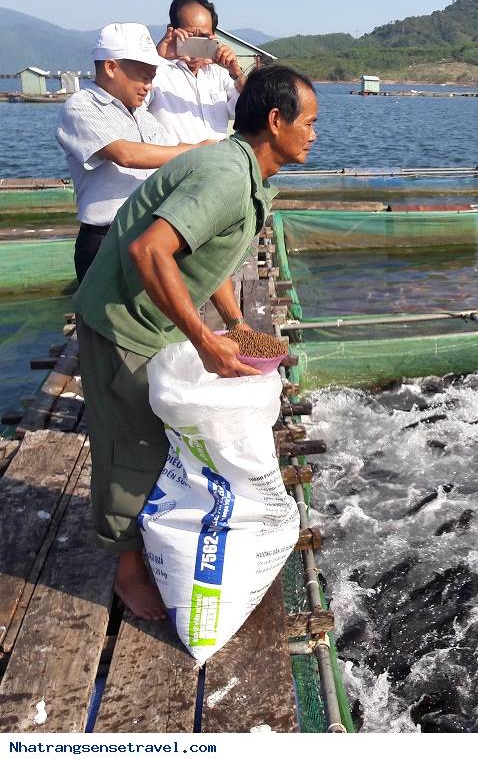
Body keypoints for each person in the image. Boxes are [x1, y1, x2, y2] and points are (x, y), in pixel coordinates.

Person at [72, 65, 318, 620]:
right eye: (309, 122)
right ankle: (127, 568)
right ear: (276, 122)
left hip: (147, 318)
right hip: (121, 322)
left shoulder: (244, 172)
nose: (315, 133)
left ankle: (147, 543)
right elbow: (150, 252)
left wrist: (235, 321)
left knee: (153, 436)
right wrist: (206, 341)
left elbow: (211, 257)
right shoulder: (228, 176)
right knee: (129, 444)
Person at [56, 23, 204, 282]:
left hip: (148, 235)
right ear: (111, 67)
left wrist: (208, 149)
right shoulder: (81, 107)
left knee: (146, 319)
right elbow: (126, 154)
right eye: (143, 77)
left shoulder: (144, 117)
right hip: (105, 239)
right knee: (106, 320)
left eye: (151, 79)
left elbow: (170, 151)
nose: (148, 86)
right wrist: (195, 150)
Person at [148, 0, 247, 142]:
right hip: (171, 163)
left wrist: (237, 73)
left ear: (214, 36)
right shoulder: (157, 71)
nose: (196, 44)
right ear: (173, 31)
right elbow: (128, 105)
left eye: (203, 37)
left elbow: (250, 112)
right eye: (189, 36)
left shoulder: (220, 75)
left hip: (215, 162)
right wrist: (155, 58)